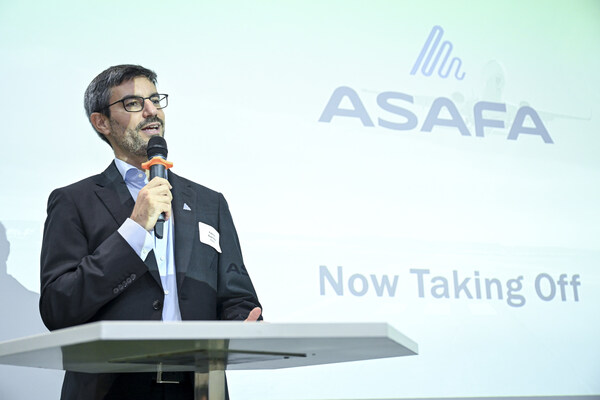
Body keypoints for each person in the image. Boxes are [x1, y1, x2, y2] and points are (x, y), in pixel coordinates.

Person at [39, 64, 262, 400]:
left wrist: (242, 322)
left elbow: (236, 297)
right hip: (110, 390)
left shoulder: (208, 203)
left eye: (155, 100)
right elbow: (59, 307)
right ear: (101, 122)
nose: (151, 111)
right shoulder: (74, 202)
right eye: (132, 103)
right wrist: (134, 227)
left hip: (198, 388)